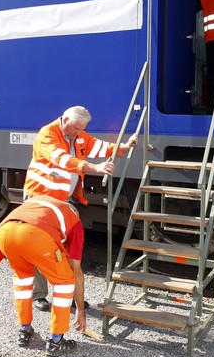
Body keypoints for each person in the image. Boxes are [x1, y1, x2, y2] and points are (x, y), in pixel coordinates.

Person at [23, 106, 137, 312]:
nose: (78, 133)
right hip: (39, 199)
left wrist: (125, 147)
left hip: (63, 201)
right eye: (75, 128)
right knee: (39, 246)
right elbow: (62, 159)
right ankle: (39, 295)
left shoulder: (78, 135)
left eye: (81, 129)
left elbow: (99, 146)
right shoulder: (47, 134)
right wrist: (95, 168)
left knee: (65, 249)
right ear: (65, 120)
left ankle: (67, 295)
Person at [0, 195, 87, 355]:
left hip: (5, 232)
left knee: (23, 279)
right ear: (75, 212)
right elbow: (76, 272)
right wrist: (80, 310)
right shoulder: (74, 221)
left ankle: (24, 331)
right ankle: (56, 341)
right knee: (65, 282)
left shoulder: (43, 203)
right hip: (34, 234)